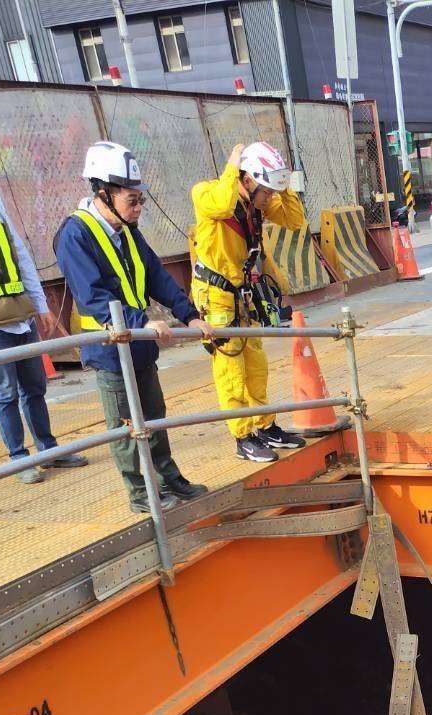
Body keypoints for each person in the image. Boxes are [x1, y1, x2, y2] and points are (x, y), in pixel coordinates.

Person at [54, 143, 209, 514]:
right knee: (126, 424)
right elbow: (92, 295)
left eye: (141, 200)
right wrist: (142, 322)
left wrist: (189, 314)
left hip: (139, 346)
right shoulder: (75, 235)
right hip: (110, 349)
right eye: (132, 199)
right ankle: (141, 491)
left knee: (154, 416)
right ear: (103, 192)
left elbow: (155, 275)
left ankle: (169, 477)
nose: (138, 208)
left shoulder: (127, 231)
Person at [191, 142, 307, 464]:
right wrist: (233, 167)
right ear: (247, 179)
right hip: (215, 295)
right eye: (266, 191)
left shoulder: (256, 204)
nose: (270, 199)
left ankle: (265, 424)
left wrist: (281, 187)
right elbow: (222, 205)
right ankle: (243, 437)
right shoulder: (207, 193)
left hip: (242, 292)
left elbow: (294, 220)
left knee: (256, 364)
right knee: (231, 367)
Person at [0, 183, 87, 484]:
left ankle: (48, 451)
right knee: (4, 393)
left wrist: (40, 305)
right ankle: (19, 460)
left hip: (20, 313)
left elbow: (20, 255)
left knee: (34, 387)